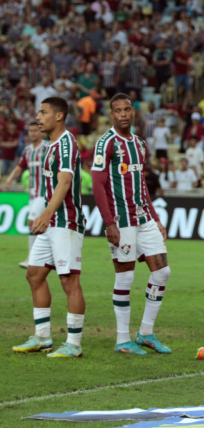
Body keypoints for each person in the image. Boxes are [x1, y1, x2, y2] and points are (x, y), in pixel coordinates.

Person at [91, 93, 171, 355]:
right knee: (125, 276)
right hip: (121, 219)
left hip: (144, 217)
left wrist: (156, 218)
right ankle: (122, 339)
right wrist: (109, 223)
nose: (123, 114)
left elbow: (142, 184)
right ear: (111, 114)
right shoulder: (106, 143)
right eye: (118, 110)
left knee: (162, 272)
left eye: (127, 109)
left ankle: (146, 333)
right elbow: (98, 184)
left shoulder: (139, 143)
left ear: (133, 112)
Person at [13, 97, 87, 358]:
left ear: (58, 116)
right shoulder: (51, 145)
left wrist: (45, 213)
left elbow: (65, 183)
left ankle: (74, 344)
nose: (38, 117)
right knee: (34, 274)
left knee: (69, 280)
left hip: (66, 221)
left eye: (43, 112)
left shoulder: (66, 144)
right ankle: (42, 337)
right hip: (53, 222)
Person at [4, 122, 47, 269]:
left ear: (41, 132)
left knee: (32, 222)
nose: (33, 133)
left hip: (45, 192)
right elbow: (20, 167)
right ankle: (42, 257)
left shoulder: (47, 148)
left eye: (36, 130)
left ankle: (32, 258)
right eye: (30, 131)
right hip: (32, 193)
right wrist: (9, 179)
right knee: (41, 226)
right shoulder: (28, 150)